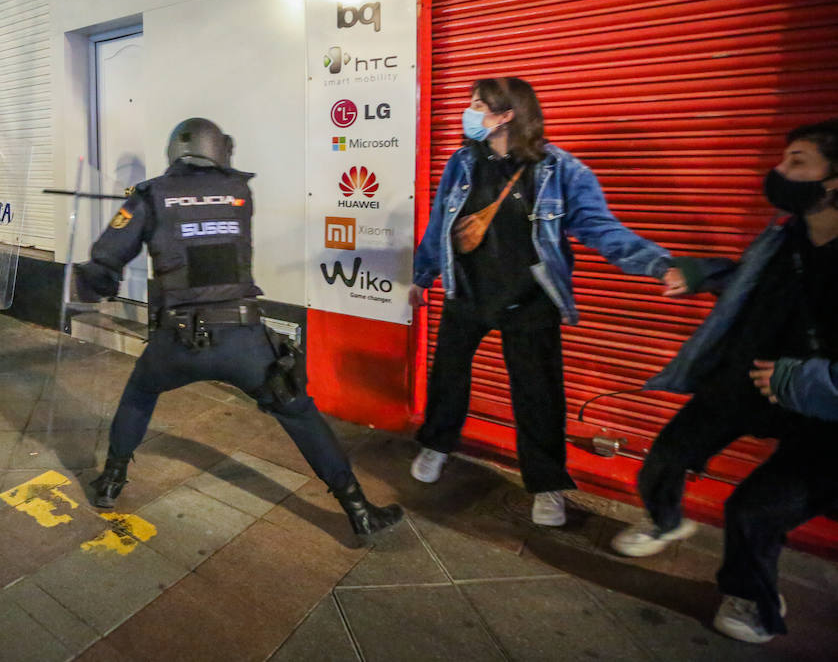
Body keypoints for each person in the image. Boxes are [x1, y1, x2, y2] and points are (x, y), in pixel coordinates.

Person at [76, 118, 404, 546]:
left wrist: (91, 284)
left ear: (174, 150)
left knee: (140, 394)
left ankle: (110, 482)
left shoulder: (150, 196)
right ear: (219, 151)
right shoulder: (239, 192)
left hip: (176, 342)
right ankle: (358, 510)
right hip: (242, 339)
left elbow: (105, 263)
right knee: (299, 411)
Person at [409, 77, 683, 526]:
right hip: (468, 292)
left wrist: (659, 265)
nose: (468, 111)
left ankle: (547, 483)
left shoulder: (561, 171)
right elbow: (441, 221)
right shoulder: (462, 162)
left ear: (507, 114)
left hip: (531, 300)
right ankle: (437, 445)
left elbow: (601, 228)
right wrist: (423, 276)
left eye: (478, 104)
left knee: (538, 395)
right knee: (448, 379)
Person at [611, 119, 838, 644]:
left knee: (752, 511)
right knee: (667, 455)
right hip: (745, 380)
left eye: (798, 162)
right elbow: (749, 278)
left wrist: (800, 379)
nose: (779, 172)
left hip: (820, 409)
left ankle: (755, 599)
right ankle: (666, 521)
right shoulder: (786, 232)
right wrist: (700, 275)